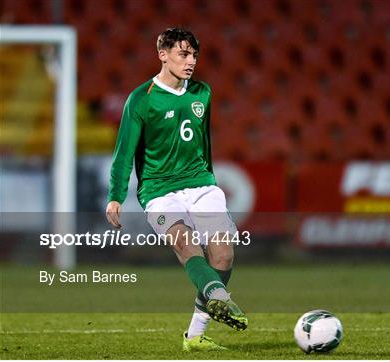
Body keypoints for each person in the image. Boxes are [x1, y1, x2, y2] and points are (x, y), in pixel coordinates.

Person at [106, 27, 247, 351]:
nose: (191, 61)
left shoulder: (202, 93)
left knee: (223, 256)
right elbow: (124, 152)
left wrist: (209, 182)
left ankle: (195, 336)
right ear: (163, 54)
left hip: (201, 184)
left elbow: (204, 143)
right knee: (186, 246)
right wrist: (115, 196)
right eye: (183, 54)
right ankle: (219, 297)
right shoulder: (142, 99)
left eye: (194, 55)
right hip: (158, 190)